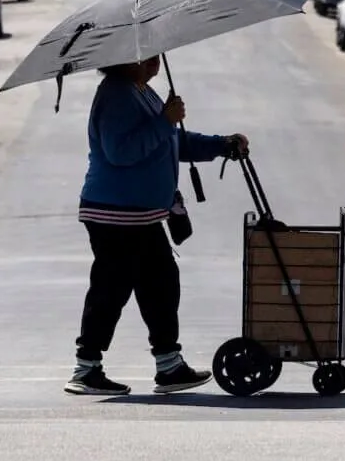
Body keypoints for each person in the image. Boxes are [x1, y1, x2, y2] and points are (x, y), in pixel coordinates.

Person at [66, 55, 250, 397]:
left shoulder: (141, 91)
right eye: (145, 56)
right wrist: (165, 120)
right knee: (111, 290)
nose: (154, 61)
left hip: (141, 215)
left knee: (160, 284)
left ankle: (169, 365)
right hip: (116, 214)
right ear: (123, 60)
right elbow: (121, 151)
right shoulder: (117, 94)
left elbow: (171, 141)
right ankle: (87, 368)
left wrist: (219, 144)